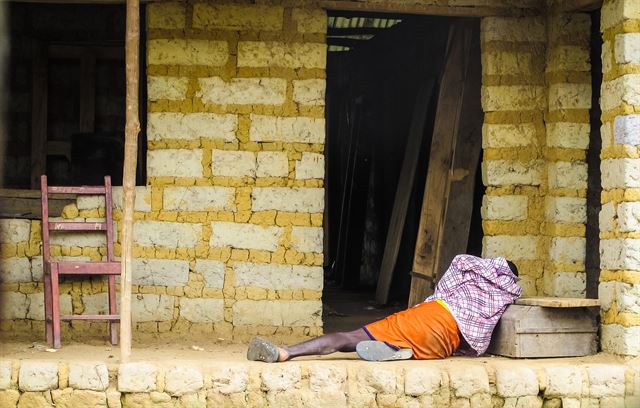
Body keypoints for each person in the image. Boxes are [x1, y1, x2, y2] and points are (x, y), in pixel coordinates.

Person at [246, 254, 521, 363]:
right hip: (444, 342)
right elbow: (480, 337)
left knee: (350, 338)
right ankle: (401, 351)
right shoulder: (503, 296)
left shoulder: (472, 273)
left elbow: (451, 275)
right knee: (417, 347)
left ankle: (286, 352)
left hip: (433, 315)